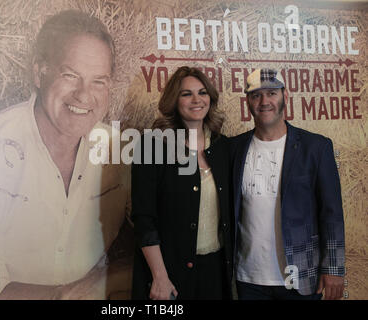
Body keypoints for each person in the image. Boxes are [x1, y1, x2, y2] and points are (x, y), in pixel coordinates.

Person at [0, 10, 132, 300]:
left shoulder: (122, 151)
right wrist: (77, 293)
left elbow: (171, 240)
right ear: (39, 73)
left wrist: (97, 284)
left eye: (99, 81)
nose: (84, 95)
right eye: (70, 75)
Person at [230, 68, 345, 300]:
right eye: (256, 95)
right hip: (248, 279)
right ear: (248, 102)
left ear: (285, 95)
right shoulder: (233, 149)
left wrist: (333, 268)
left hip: (300, 278)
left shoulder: (316, 148)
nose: (264, 101)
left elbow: (331, 213)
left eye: (271, 93)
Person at [131, 66, 234, 300]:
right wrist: (160, 277)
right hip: (169, 274)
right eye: (186, 94)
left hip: (215, 272)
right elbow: (143, 218)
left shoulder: (224, 147)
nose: (196, 100)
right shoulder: (153, 146)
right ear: (174, 101)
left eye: (202, 92)